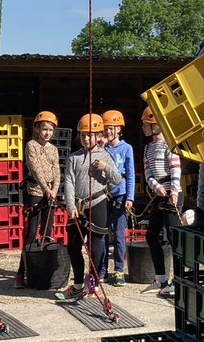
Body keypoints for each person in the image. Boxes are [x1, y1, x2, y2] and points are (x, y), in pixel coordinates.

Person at [59, 113, 122, 302]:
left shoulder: (105, 155)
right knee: (73, 246)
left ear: (99, 135)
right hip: (78, 207)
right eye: (84, 135)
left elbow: (117, 179)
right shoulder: (74, 157)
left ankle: (92, 283)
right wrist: (70, 205)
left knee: (96, 247)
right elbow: (68, 182)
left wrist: (105, 167)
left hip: (98, 203)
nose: (87, 139)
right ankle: (78, 285)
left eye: (91, 135)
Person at [137, 106, 181, 297]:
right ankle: (160, 279)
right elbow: (148, 171)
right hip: (158, 195)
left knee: (174, 238)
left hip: (171, 194)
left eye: (145, 124)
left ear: (156, 125)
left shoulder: (169, 145)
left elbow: (175, 168)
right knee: (152, 236)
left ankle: (178, 280)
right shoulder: (148, 147)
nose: (143, 127)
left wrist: (174, 191)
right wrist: (155, 186)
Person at [20, 110, 61, 288]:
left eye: (50, 130)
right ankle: (23, 271)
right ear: (37, 129)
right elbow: (35, 169)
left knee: (47, 232)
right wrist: (46, 189)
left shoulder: (53, 149)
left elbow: (57, 171)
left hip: (50, 192)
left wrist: (55, 190)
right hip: (36, 191)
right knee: (31, 232)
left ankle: (44, 269)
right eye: (44, 129)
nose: (47, 133)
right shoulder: (31, 145)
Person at [101, 110, 135, 285]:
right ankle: (102, 269)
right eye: (105, 128)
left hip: (120, 193)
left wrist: (130, 197)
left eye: (111, 128)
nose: (107, 131)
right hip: (103, 194)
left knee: (119, 234)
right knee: (103, 233)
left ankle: (119, 270)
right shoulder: (102, 148)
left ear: (119, 129)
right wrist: (100, 146)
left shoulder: (126, 148)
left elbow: (130, 174)